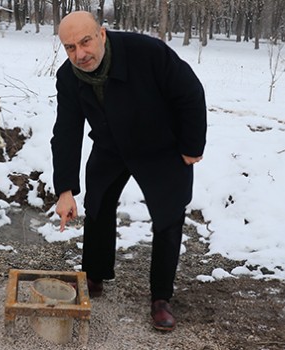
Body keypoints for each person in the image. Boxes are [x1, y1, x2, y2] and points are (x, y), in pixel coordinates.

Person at [50, 11, 207, 331]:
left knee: (167, 215)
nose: (79, 54)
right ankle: (94, 275)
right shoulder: (69, 76)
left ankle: (161, 297)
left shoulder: (146, 53)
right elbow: (66, 131)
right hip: (111, 144)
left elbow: (190, 92)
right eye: (70, 47)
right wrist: (64, 189)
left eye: (85, 41)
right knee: (98, 203)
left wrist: (192, 147)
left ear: (102, 34)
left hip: (161, 145)